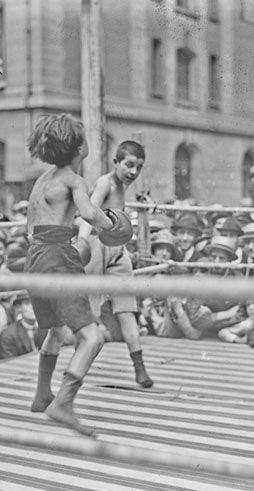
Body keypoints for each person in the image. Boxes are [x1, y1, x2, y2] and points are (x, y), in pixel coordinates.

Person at [24, 113, 122, 436]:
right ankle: (63, 403)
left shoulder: (41, 181)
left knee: (54, 330)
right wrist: (114, 226)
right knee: (92, 336)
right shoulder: (73, 181)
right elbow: (89, 212)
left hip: (36, 257)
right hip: (56, 258)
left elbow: (30, 230)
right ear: (80, 148)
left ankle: (41, 395)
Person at [79, 140, 154, 388]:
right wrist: (81, 243)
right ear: (116, 162)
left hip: (116, 249)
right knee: (91, 311)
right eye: (129, 165)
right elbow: (89, 212)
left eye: (138, 167)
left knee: (126, 307)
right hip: (94, 245)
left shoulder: (123, 185)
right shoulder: (105, 182)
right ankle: (76, 371)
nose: (133, 172)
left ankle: (139, 368)